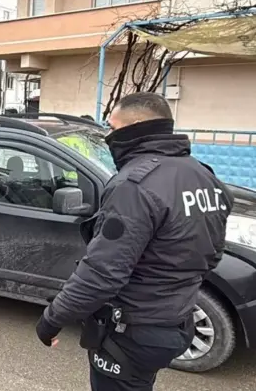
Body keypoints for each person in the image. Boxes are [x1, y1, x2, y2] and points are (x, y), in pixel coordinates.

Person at [35, 92, 233, 391]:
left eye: (112, 128)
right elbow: (212, 253)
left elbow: (102, 273)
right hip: (178, 321)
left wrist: (52, 319)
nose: (109, 136)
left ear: (135, 127)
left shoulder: (134, 186)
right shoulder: (202, 175)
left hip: (132, 332)